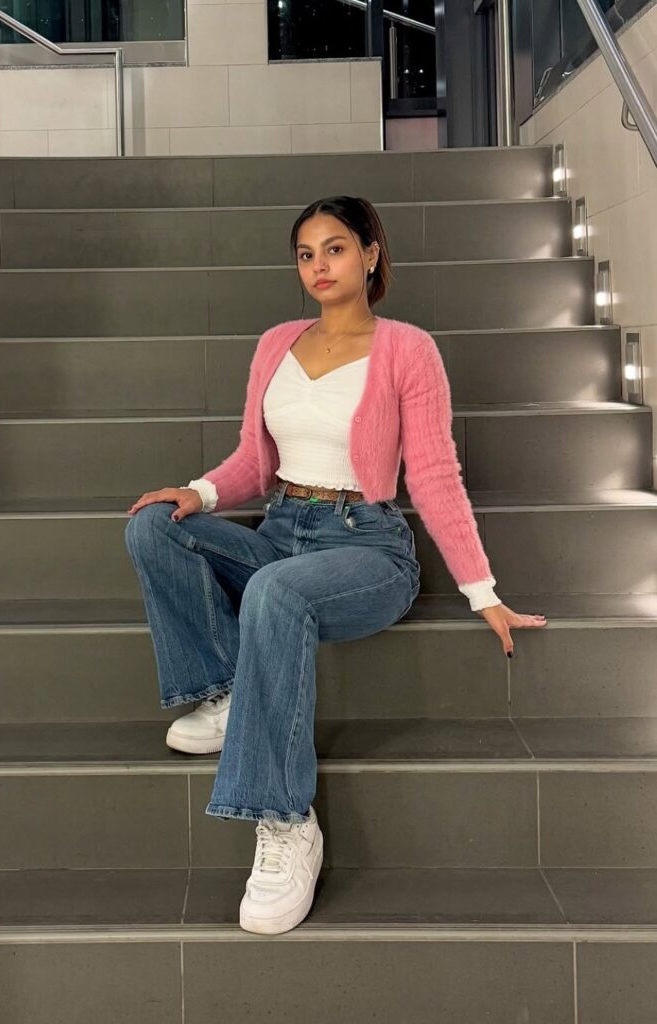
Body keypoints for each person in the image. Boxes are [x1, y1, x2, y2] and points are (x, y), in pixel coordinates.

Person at [124, 195, 547, 937]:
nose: (318, 266)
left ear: (371, 254)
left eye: (336, 249)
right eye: (305, 254)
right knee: (153, 528)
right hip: (282, 523)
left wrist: (481, 590)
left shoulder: (406, 348)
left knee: (275, 595)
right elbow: (256, 461)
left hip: (364, 544)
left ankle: (285, 820)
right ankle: (223, 694)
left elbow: (437, 474)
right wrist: (195, 492)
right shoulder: (277, 342)